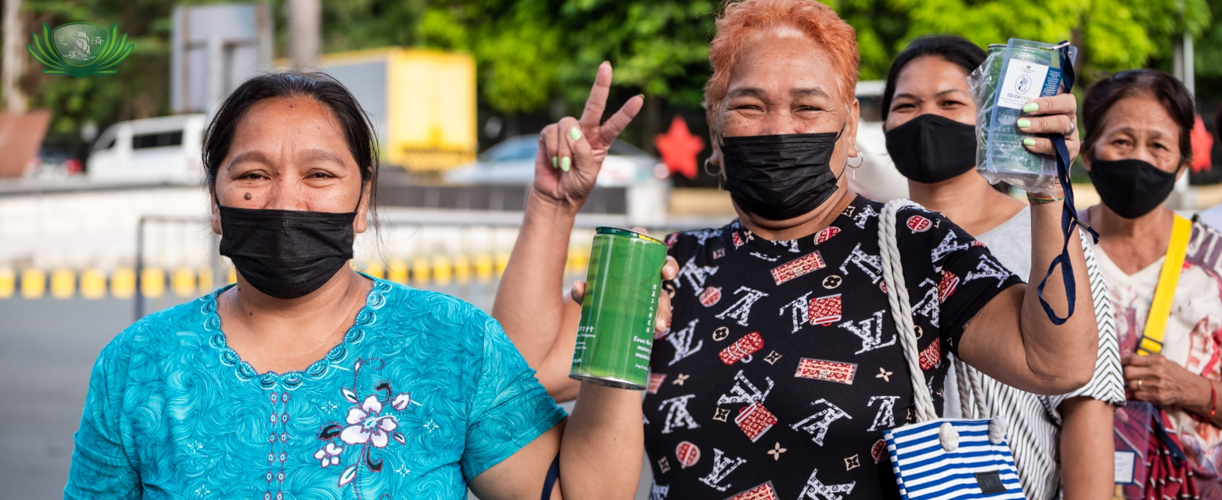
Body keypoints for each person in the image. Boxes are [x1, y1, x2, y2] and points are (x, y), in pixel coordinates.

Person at [493, 0, 1099, 497]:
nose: (779, 125)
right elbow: (517, 371)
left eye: (808, 107)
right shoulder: (672, 265)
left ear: (847, 129)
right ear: (715, 130)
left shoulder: (913, 245)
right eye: (750, 107)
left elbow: (1056, 364)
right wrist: (553, 205)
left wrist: (1047, 192)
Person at [63, 72, 645, 499]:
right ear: (215, 203)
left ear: (362, 201)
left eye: (319, 175)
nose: (285, 199)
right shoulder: (137, 364)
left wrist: (621, 331)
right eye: (252, 175)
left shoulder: (451, 342)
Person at [879, 35, 1124, 500]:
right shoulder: (873, 240)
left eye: (951, 102)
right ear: (883, 121)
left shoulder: (1050, 237)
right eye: (907, 105)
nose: (926, 118)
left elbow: (1087, 406)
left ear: (990, 115)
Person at [1079, 69, 1222, 497]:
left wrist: (1194, 390)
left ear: (1180, 164)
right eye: (1122, 141)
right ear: (1087, 154)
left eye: (1158, 146)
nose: (1139, 158)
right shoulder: (1053, 252)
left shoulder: (1213, 263)